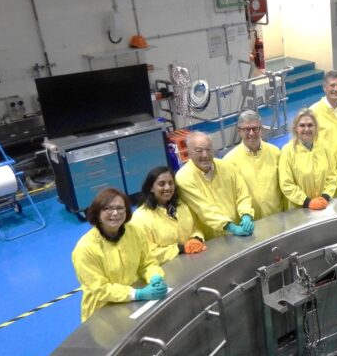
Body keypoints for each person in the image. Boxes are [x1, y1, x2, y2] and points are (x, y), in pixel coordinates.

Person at [72, 188, 167, 321]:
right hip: (103, 311)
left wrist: (155, 277)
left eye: (120, 208)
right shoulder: (85, 249)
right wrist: (137, 294)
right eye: (108, 209)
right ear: (97, 213)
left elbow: (147, 262)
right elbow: (101, 289)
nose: (115, 213)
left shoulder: (134, 232)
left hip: (133, 302)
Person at [176, 132, 255, 239]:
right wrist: (231, 227)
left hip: (239, 234)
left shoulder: (227, 166)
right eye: (199, 151)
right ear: (189, 153)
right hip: (211, 238)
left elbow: (242, 194)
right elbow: (204, 210)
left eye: (208, 150)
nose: (205, 155)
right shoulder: (183, 177)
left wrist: (246, 215)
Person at [131, 167, 206, 264]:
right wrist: (180, 249)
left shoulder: (182, 206)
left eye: (171, 183)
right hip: (165, 270)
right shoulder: (140, 217)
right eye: (161, 184)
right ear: (151, 188)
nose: (167, 188)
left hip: (193, 260)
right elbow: (147, 252)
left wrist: (196, 239)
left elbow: (195, 227)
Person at [223, 110, 284, 220]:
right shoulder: (228, 161)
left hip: (277, 218)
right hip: (249, 224)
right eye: (247, 129)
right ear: (239, 131)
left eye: (255, 129)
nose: (251, 133)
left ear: (261, 130)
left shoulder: (275, 153)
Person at [279, 109, 337, 209]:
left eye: (310, 125)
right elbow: (286, 184)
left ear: (315, 127)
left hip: (325, 205)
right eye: (302, 125)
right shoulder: (287, 151)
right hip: (300, 209)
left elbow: (332, 175)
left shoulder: (324, 146)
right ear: (295, 128)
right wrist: (306, 202)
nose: (307, 129)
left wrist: (325, 196)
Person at [310, 70, 337, 149]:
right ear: (324, 87)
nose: (336, 89)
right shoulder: (313, 112)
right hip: (325, 159)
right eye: (332, 85)